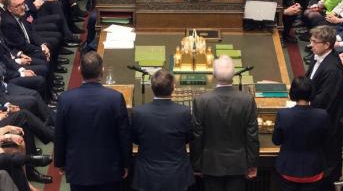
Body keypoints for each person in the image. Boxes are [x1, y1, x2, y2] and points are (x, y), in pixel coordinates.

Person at [54, 51, 131, 190]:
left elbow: (60, 134)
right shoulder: (115, 98)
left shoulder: (65, 99)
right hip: (109, 170)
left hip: (79, 169)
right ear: (102, 71)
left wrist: (60, 162)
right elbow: (124, 135)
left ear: (79, 70)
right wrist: (126, 163)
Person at [191, 55, 259, 191]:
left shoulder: (201, 101)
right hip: (238, 164)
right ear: (233, 74)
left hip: (211, 164)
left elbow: (197, 136)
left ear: (214, 74)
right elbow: (252, 136)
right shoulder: (247, 100)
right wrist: (252, 164)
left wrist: (196, 165)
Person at [130, 69, 194, 191]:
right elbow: (189, 138)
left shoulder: (138, 112)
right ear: (173, 88)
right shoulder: (183, 112)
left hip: (147, 175)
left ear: (152, 88)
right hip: (176, 175)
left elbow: (134, 139)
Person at [305, 25, 343, 189]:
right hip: (318, 118)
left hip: (327, 125)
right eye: (311, 40)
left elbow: (324, 101)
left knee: (324, 172)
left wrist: (301, 105)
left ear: (327, 45)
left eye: (315, 41)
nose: (311, 45)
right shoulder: (320, 57)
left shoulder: (332, 69)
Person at [273, 76, 330, 190]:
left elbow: (276, 141)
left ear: (292, 93)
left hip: (288, 169)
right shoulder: (322, 115)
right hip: (314, 169)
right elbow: (326, 141)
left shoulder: (283, 114)